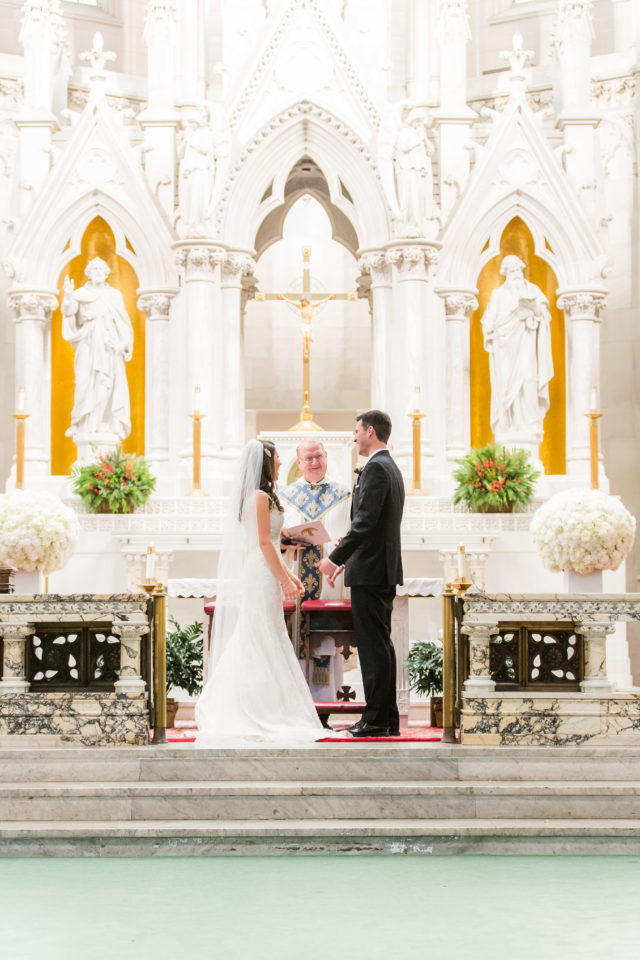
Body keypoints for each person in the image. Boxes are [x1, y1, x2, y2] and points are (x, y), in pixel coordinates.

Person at [195, 438, 328, 743]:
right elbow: (263, 543)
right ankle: (254, 708)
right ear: (267, 462)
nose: (282, 463)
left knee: (263, 633)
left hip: (264, 567)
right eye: (279, 458)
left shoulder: (262, 495)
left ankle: (264, 704)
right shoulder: (258, 496)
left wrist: (287, 569)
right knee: (260, 634)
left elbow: (269, 539)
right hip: (261, 571)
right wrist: (285, 579)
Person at [317, 410, 405, 738]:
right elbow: (372, 525)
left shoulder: (377, 469)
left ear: (370, 431)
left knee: (374, 647)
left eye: (356, 431)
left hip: (372, 572)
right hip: (375, 567)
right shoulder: (387, 466)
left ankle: (376, 720)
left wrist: (333, 559)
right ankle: (385, 719)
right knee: (379, 645)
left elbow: (365, 523)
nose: (354, 437)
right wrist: (345, 557)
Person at [280, 439, 351, 699]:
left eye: (318, 456)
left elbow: (350, 534)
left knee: (325, 641)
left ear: (326, 456)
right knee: (294, 641)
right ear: (298, 463)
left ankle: (325, 700)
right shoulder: (286, 497)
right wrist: (284, 542)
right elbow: (275, 538)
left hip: (329, 580)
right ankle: (296, 700)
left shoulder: (344, 494)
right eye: (308, 458)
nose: (314, 462)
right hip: (295, 576)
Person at [481, 254, 554, 442]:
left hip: (527, 344)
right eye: (511, 270)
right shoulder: (498, 295)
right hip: (505, 348)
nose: (515, 273)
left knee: (529, 380)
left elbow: (545, 315)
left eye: (517, 269)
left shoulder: (534, 291)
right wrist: (490, 328)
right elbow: (488, 319)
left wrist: (532, 312)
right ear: (505, 273)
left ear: (522, 269)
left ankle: (530, 423)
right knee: (505, 387)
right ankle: (508, 424)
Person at [61, 257, 133, 445]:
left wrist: (123, 344)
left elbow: (124, 323)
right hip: (88, 345)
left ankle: (103, 423)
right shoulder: (79, 294)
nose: (99, 271)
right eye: (94, 269)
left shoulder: (115, 295)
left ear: (107, 272)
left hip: (109, 348)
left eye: (102, 268)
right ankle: (81, 423)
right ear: (88, 272)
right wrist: (68, 297)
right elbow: (69, 314)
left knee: (107, 384)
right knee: (84, 382)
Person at [277, 292, 335, 360]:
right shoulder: (300, 306)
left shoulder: (311, 306)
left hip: (309, 324)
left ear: (307, 300)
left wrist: (329, 297)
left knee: (308, 338)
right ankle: (305, 352)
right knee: (305, 337)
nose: (302, 302)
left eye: (303, 300)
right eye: (301, 301)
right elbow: (291, 302)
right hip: (303, 324)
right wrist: (283, 297)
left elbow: (321, 302)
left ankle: (307, 350)